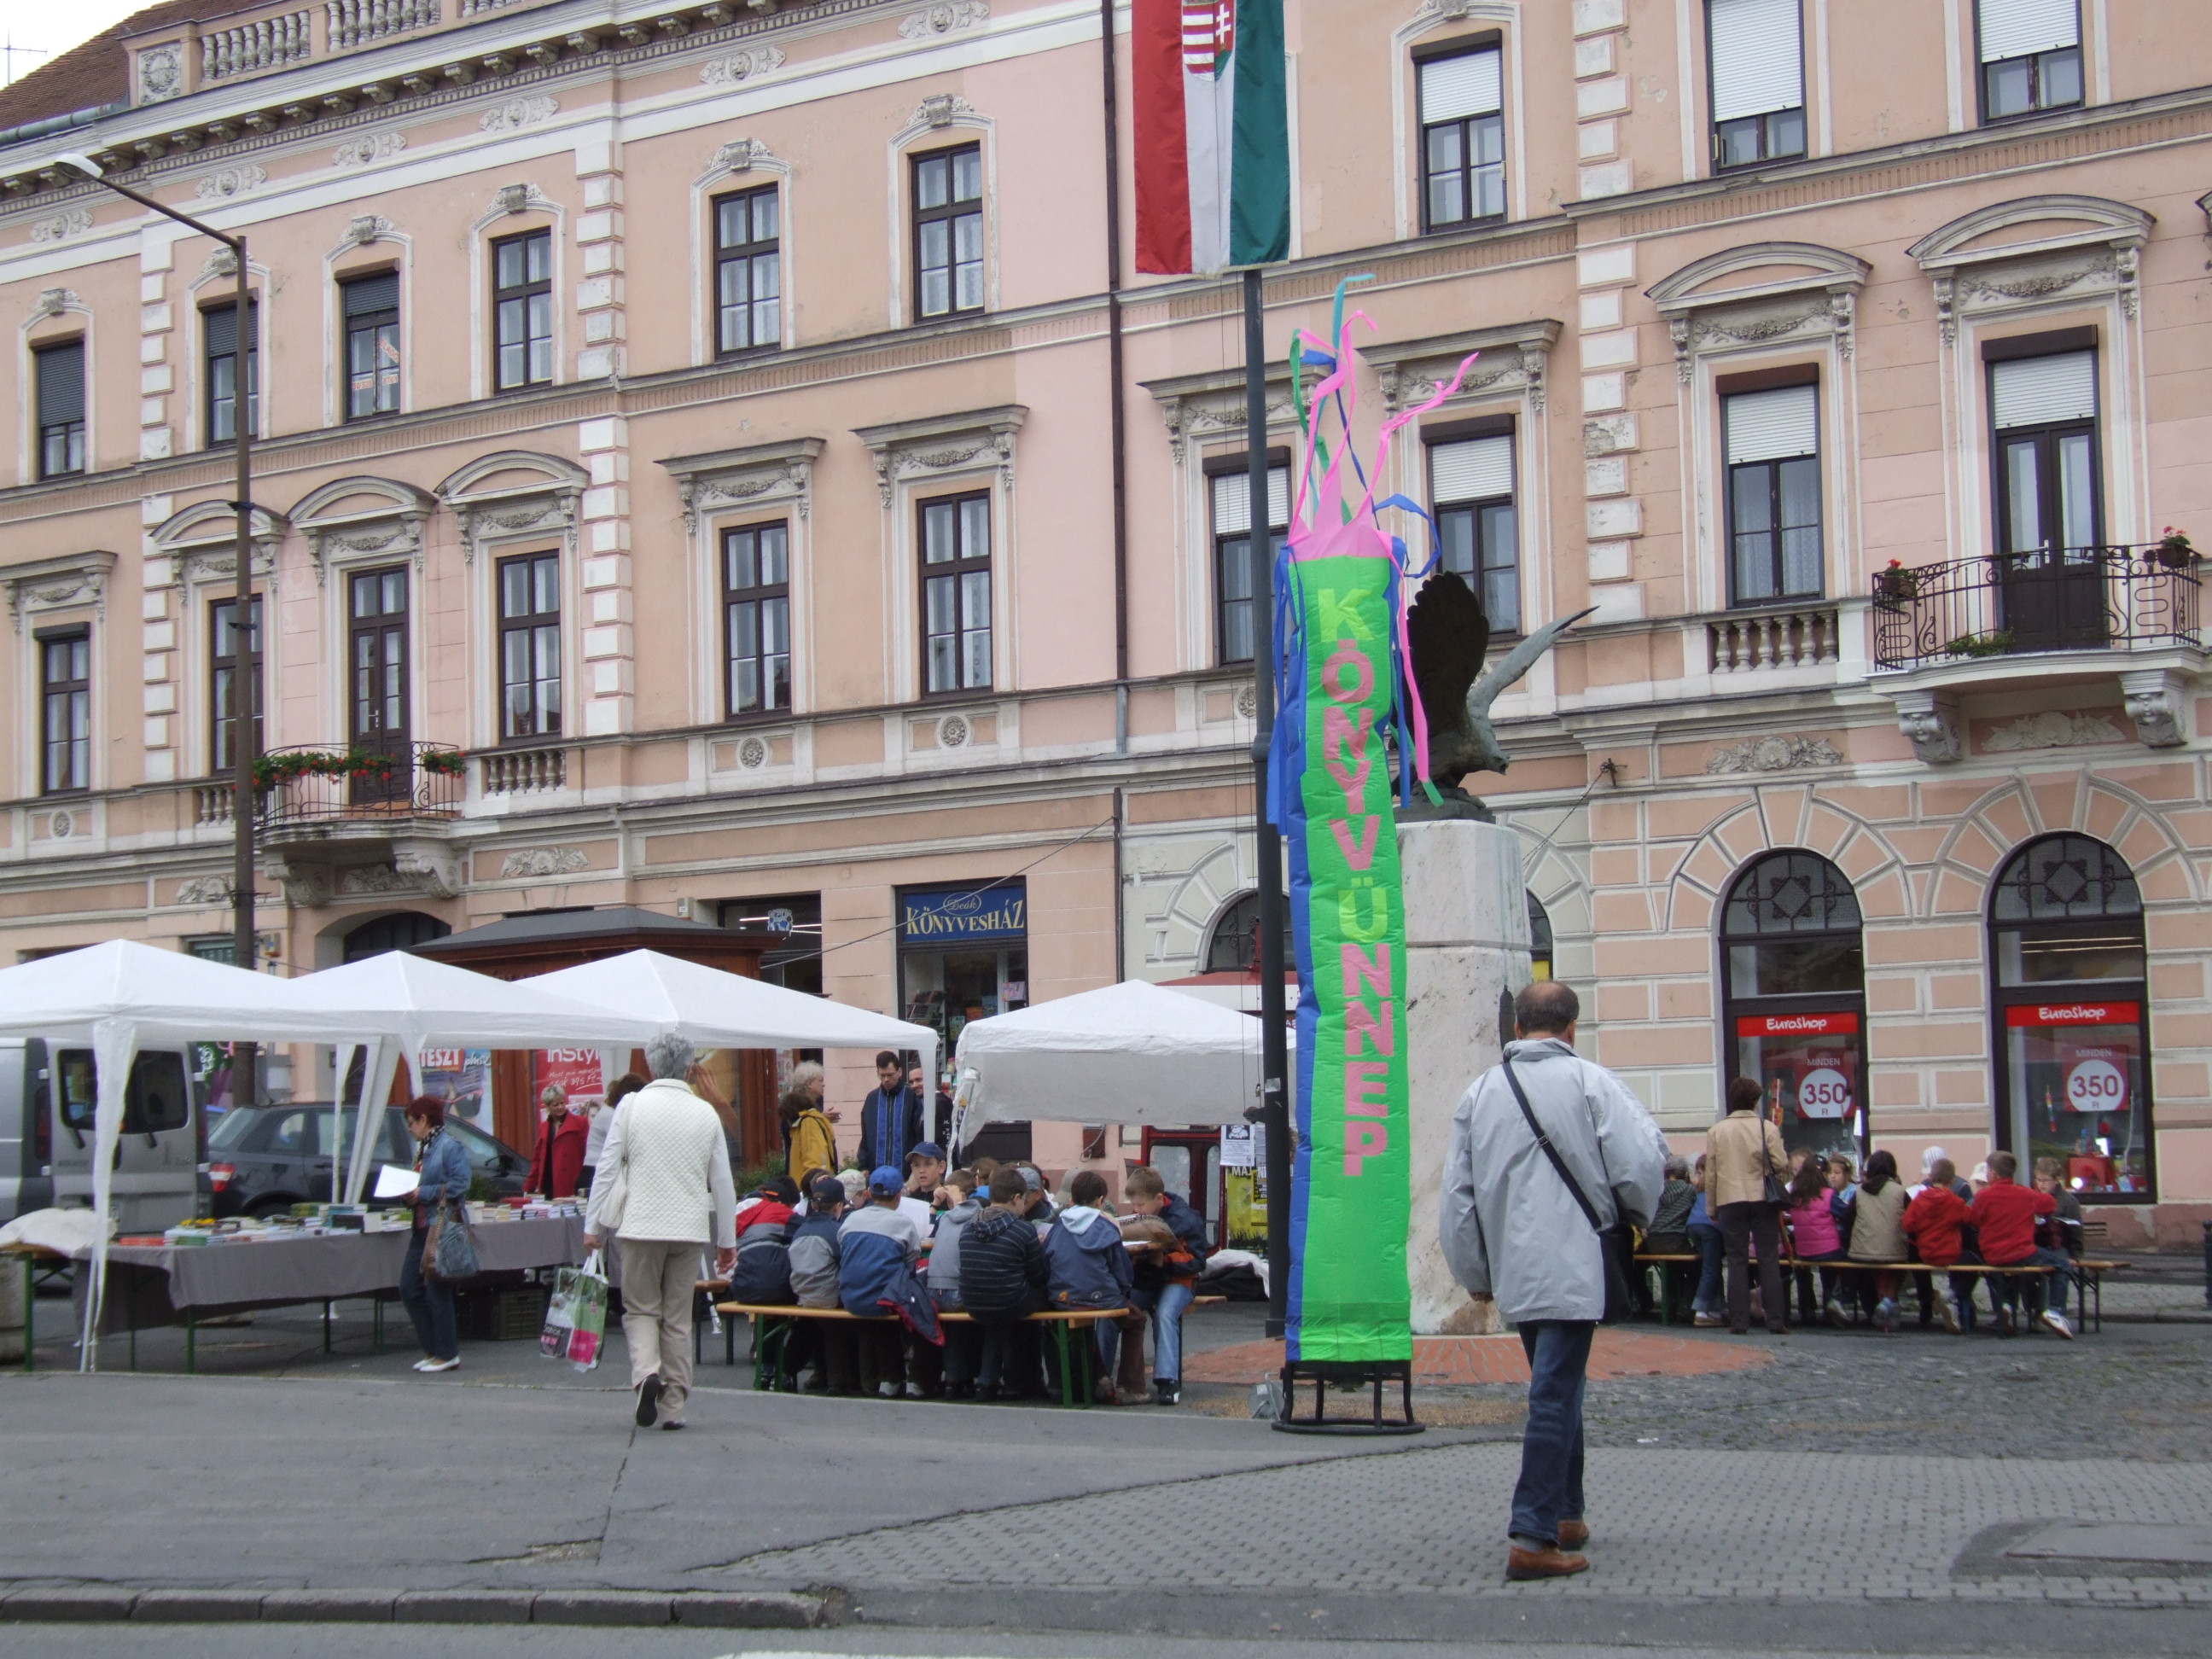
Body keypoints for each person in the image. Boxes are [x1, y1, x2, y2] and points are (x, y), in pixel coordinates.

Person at [1441, 981, 1667, 1582]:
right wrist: (1636, 1215)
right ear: (1571, 1028)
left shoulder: (1480, 1093)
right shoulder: (1593, 1083)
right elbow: (1641, 1163)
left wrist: (1474, 1271)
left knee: (1558, 1385)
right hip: (1575, 1261)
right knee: (1555, 1393)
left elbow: (1458, 1196)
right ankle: (1533, 1532)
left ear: (1518, 1028)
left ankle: (1566, 1512)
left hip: (1515, 1267)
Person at [583, 1034, 738, 1431]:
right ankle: (674, 1405)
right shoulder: (704, 1113)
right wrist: (727, 1240)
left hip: (640, 1224)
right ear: (688, 1068)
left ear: (651, 1065)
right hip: (688, 1228)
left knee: (640, 1310)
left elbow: (607, 1168)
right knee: (678, 1318)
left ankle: (646, 1373)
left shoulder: (631, 1106)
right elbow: (722, 1181)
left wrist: (593, 1225)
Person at [1707, 1075, 1790, 1336]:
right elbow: (1781, 1164)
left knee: (1736, 1260)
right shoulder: (1767, 1128)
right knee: (1768, 1258)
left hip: (1730, 1199)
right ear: (1755, 1101)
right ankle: (1775, 1320)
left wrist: (1712, 1207)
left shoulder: (1717, 1131)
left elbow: (1711, 1175)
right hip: (1762, 1197)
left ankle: (1739, 1321)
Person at [960, 1164, 1051, 1400]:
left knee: (997, 1310)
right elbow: (1037, 1275)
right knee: (1042, 1298)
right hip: (1011, 1302)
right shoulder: (1023, 1230)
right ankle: (1028, 1379)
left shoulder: (968, 1228)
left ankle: (987, 1381)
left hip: (972, 1301)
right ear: (1017, 1198)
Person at [839, 1165, 930, 1396]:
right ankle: (895, 1379)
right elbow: (912, 1260)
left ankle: (873, 1381)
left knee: (869, 1321)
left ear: (869, 1193)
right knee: (906, 1301)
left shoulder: (850, 1220)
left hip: (849, 1297)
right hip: (885, 1301)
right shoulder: (903, 1223)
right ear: (899, 1196)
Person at [1121, 1165, 1208, 1406]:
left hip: (1179, 1281)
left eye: (1141, 1205)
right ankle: (1103, 1375)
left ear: (1159, 1199)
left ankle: (1168, 1381)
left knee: (1166, 1314)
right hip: (1147, 1281)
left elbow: (1197, 1261)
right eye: (1133, 1206)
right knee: (1117, 1309)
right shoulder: (1138, 1217)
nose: (1137, 1210)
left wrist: (1165, 1261)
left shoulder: (1187, 1219)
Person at [399, 1095, 473, 1374]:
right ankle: (433, 1350)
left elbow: (461, 1184)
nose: (410, 1129)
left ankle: (447, 1353)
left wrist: (423, 1193)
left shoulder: (449, 1146)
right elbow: (418, 1185)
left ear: (424, 1120)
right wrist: (408, 1195)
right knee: (409, 1289)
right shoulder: (423, 1148)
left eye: (411, 1122)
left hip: (441, 1226)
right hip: (421, 1228)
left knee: (437, 1291)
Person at [1970, 1150, 2070, 1338]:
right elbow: (2050, 1204)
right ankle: (2055, 1311)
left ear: (1993, 1173)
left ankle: (2007, 1306)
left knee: (2008, 1271)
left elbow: (1975, 1220)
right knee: (2062, 1266)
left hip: (1992, 1254)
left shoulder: (1983, 1196)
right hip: (2022, 1252)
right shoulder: (2025, 1194)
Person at [785, 1173, 856, 1394]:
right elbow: (847, 1263)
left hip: (802, 1296)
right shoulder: (837, 1232)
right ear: (838, 1206)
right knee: (837, 1327)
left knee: (809, 1325)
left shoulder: (800, 1230)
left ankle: (788, 1371)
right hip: (829, 1298)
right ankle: (838, 1382)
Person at [1901, 1157, 1976, 1334]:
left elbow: (1907, 1224)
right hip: (1951, 1254)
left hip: (1926, 1253)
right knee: (1974, 1262)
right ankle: (1954, 1297)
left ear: (1930, 1178)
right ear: (1953, 1180)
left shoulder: (1919, 1201)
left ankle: (1927, 1305)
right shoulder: (1955, 1202)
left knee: (1914, 1254)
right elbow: (1972, 1219)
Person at [928, 1168, 984, 1396]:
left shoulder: (945, 1218)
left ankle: (954, 1378)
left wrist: (936, 1205)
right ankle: (972, 1377)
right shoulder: (978, 1216)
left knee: (954, 1328)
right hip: (957, 1292)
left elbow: (930, 1233)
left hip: (934, 1291)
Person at [1840, 1150, 1910, 1330]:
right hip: (1894, 1251)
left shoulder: (1859, 1192)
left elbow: (1847, 1219)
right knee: (1901, 1267)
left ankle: (1872, 1310)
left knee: (1863, 1271)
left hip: (1861, 1252)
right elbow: (1911, 1219)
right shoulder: (1900, 1191)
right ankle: (1888, 1301)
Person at [1783, 1155, 1848, 1328]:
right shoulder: (1828, 1195)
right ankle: (1833, 1301)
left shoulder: (1795, 1196)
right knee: (1844, 1262)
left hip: (1803, 1251)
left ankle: (1807, 1309)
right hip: (1829, 1250)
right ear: (1823, 1174)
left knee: (1803, 1273)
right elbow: (1846, 1214)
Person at [726, 1176, 800, 1307]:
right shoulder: (779, 1211)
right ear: (780, 1202)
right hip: (777, 1290)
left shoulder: (741, 1216)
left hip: (741, 1289)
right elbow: (810, 1230)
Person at [2032, 1156, 2085, 1322]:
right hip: (2036, 1245)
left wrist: (2075, 1255)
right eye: (2038, 1179)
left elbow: (2076, 1231)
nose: (2041, 1184)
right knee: (2024, 1273)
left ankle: (2057, 1310)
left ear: (2056, 1180)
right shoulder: (2032, 1197)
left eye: (2045, 1180)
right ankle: (2036, 1311)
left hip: (2058, 1246)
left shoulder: (2068, 1201)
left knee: (2062, 1266)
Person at [857, 1051, 926, 1173]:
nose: (886, 1080)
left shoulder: (911, 1096)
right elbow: (866, 1137)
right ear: (877, 1073)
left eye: (890, 1075)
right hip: (876, 1172)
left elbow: (919, 1135)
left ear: (899, 1072)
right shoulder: (872, 1099)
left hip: (906, 1172)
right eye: (882, 1075)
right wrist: (864, 1166)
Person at [778, 1062, 839, 1193]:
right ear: (809, 1084)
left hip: (799, 1182)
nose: (824, 1084)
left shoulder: (804, 1113)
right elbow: (814, 1159)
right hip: (808, 1186)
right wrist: (815, 1188)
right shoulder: (807, 1118)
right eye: (820, 1080)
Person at [582, 1073, 643, 1201]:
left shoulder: (610, 1111)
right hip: (595, 1170)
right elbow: (624, 1141)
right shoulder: (610, 1115)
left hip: (598, 1169)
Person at [527, 1084, 589, 1200]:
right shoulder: (543, 1127)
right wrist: (529, 1186)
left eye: (562, 1103)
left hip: (571, 1181)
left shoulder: (580, 1123)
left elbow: (588, 1152)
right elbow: (538, 1159)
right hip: (548, 1180)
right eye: (556, 1105)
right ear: (547, 1106)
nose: (560, 1107)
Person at [1685, 1156, 1725, 1328]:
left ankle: (1715, 1311)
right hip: (1710, 1227)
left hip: (1693, 1225)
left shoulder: (1700, 1190)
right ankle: (1701, 1311)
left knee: (1713, 1266)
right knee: (1711, 1269)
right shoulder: (1718, 1188)